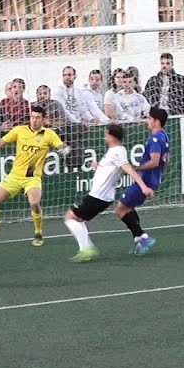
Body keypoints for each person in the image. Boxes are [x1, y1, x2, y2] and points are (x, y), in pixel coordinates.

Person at [62, 123, 155, 263]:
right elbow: (114, 171)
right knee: (77, 219)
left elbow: (128, 169)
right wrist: (98, 167)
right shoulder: (114, 151)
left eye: (106, 134)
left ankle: (86, 249)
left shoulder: (117, 151)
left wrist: (143, 187)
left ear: (111, 136)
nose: (104, 137)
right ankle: (87, 249)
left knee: (70, 217)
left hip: (98, 196)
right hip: (100, 196)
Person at [0, 106, 70, 247]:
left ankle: (38, 232)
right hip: (14, 176)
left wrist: (64, 149)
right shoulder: (19, 130)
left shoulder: (49, 134)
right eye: (32, 117)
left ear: (43, 119)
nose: (34, 120)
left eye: (38, 117)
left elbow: (61, 146)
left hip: (32, 177)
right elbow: (1, 142)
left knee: (34, 203)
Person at [114, 107, 169, 256]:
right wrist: (158, 176)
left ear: (156, 121)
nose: (147, 121)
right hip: (152, 179)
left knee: (120, 209)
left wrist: (138, 167)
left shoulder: (155, 139)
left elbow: (155, 161)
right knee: (128, 207)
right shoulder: (164, 136)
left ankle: (142, 236)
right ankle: (139, 239)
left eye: (149, 119)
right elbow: (166, 160)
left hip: (145, 180)